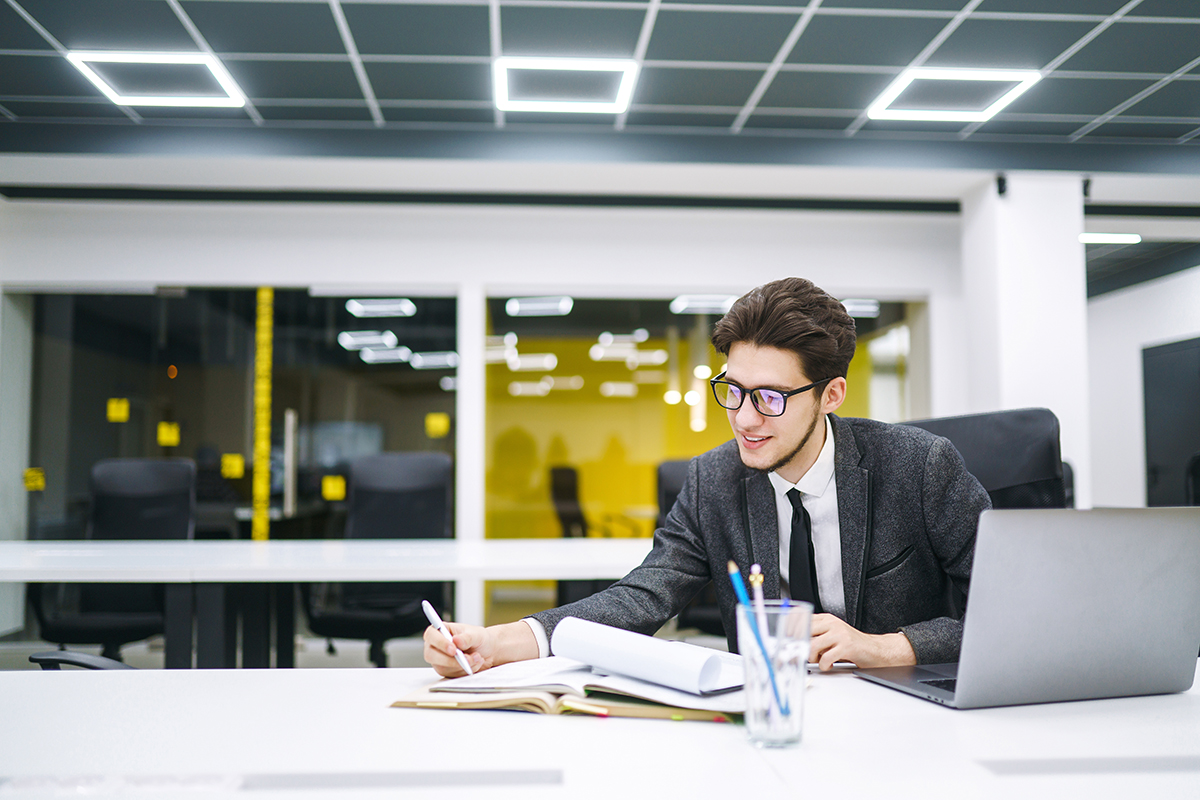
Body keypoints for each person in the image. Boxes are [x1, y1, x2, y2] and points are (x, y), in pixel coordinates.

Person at [425, 277, 990, 676]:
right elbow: (641, 597)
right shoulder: (713, 481)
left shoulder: (918, 467)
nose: (744, 419)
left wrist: (886, 647)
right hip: (767, 720)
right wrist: (497, 641)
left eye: (769, 397)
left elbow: (1002, 610)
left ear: (831, 395)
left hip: (908, 718)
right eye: (733, 391)